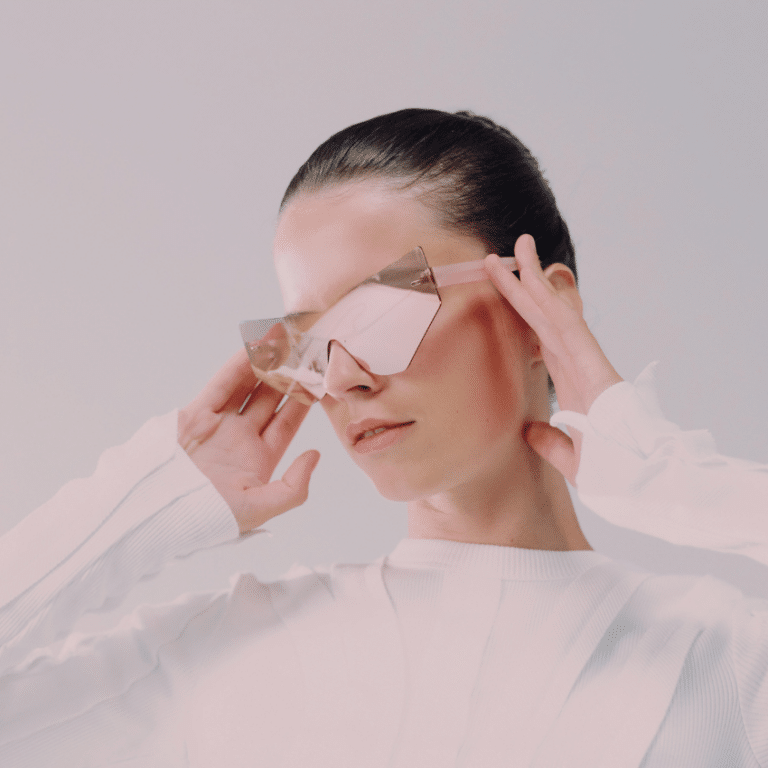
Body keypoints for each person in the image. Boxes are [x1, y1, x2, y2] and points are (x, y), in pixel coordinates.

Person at [1, 108, 766, 767]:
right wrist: (144, 505)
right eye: (308, 340)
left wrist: (675, 483)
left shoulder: (718, 657)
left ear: (536, 307)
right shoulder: (234, 644)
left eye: (379, 315)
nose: (341, 379)